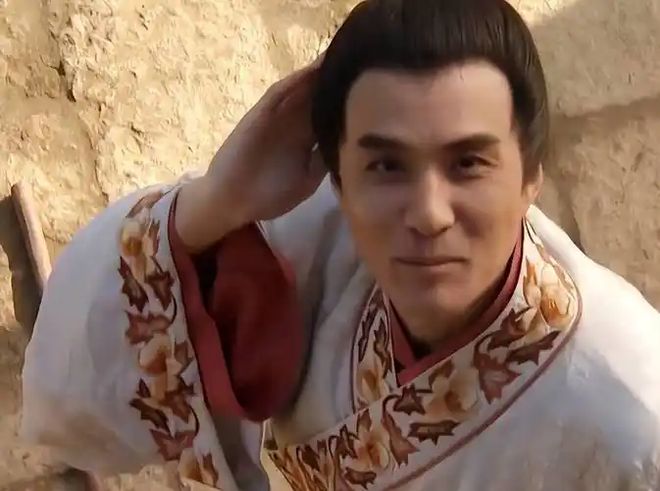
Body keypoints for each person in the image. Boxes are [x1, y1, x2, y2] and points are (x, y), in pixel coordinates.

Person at [20, 0, 660, 489]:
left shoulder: (632, 417)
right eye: (386, 166)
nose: (429, 214)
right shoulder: (315, 236)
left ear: (530, 177)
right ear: (339, 180)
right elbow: (75, 402)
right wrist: (216, 202)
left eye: (468, 164)